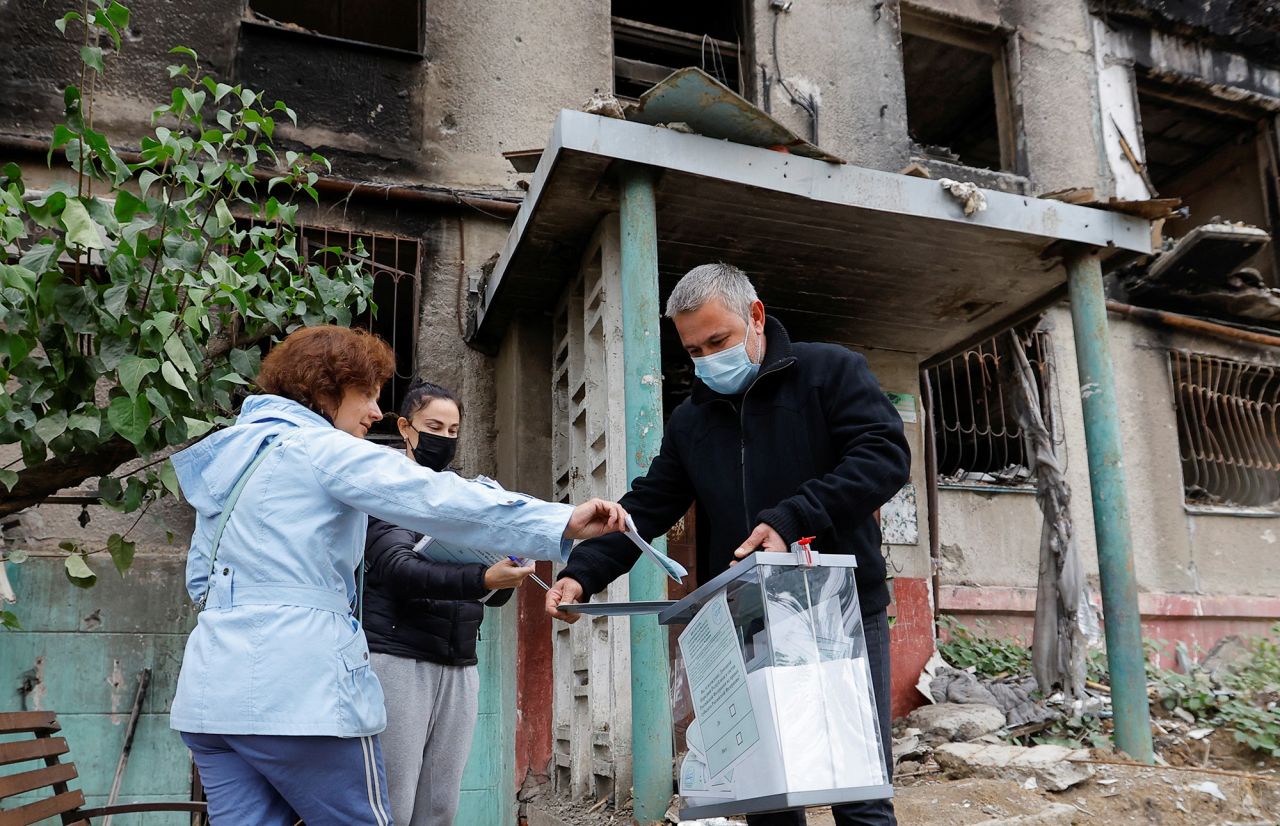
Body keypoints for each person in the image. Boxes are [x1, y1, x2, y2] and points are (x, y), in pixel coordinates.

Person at [170, 325, 628, 826]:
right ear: (324, 391)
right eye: (365, 395)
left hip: (211, 696)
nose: (374, 412)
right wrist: (557, 521)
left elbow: (201, 582)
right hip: (297, 694)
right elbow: (434, 497)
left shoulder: (231, 458)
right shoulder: (319, 449)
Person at [545, 263, 910, 826]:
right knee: (764, 793)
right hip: (749, 621)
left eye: (718, 341)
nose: (707, 359)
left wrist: (794, 517)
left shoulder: (830, 372)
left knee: (854, 786)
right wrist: (585, 570)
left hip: (839, 612)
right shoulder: (692, 419)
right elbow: (650, 503)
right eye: (694, 350)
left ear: (756, 316)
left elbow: (883, 457)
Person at [362, 380, 531, 826]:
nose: (445, 439)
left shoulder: (465, 493)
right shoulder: (387, 486)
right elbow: (396, 568)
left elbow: (490, 597)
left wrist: (507, 572)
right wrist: (480, 576)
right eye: (434, 426)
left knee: (440, 806)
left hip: (459, 660)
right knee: (393, 802)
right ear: (405, 427)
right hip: (398, 657)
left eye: (454, 431)